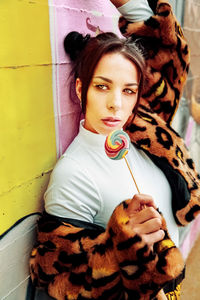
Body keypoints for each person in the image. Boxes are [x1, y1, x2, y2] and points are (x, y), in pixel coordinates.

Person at [30, 1, 200, 299]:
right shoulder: (73, 174)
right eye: (102, 87)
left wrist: (127, 3)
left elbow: (169, 50)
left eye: (128, 90)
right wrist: (122, 245)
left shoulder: (143, 127)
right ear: (81, 89)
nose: (116, 105)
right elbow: (61, 281)